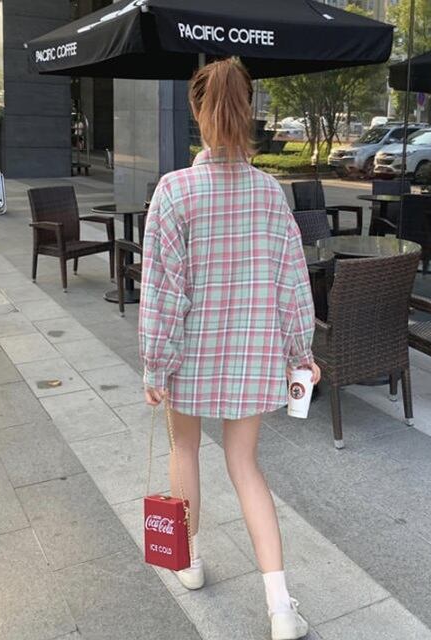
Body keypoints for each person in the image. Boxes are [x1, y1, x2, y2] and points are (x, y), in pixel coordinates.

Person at [139, 57, 320, 640]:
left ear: (197, 111)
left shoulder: (174, 191)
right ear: (250, 110)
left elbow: (163, 293)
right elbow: (292, 284)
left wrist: (156, 365)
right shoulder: (270, 194)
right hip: (251, 357)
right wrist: (300, 351)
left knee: (185, 450)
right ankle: (280, 608)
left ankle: (188, 561)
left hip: (189, 358)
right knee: (246, 466)